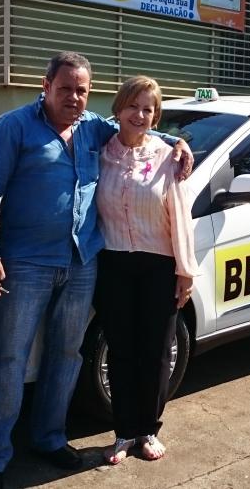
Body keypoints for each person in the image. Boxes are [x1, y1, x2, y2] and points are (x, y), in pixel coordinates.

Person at [0, 53, 190, 489]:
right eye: (66, 88)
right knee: (9, 359)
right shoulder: (13, 127)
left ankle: (49, 439)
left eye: (82, 90)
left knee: (66, 356)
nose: (74, 97)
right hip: (26, 262)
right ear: (46, 85)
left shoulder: (92, 127)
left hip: (82, 261)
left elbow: (137, 128)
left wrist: (177, 141)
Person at [94, 76, 198, 465]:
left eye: (148, 109)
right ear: (119, 108)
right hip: (114, 262)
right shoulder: (101, 152)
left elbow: (180, 217)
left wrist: (185, 271)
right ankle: (123, 432)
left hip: (159, 264)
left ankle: (148, 430)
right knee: (121, 350)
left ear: (156, 117)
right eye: (134, 106)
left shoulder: (167, 157)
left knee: (156, 352)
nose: (140, 115)